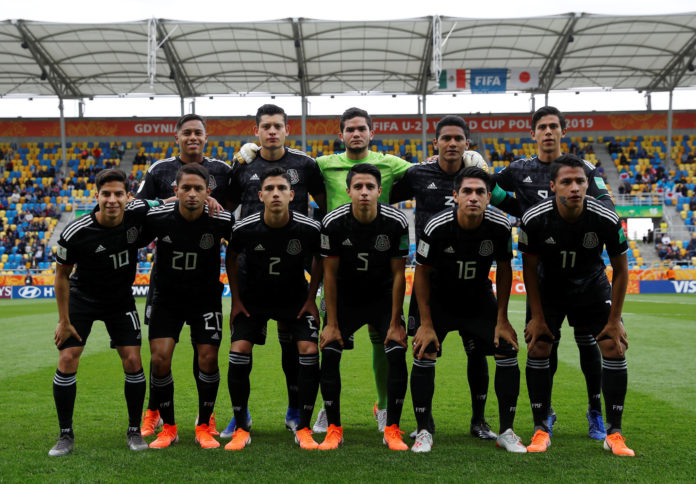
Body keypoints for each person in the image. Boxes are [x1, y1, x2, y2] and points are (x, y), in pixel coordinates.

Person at [391, 115, 518, 441]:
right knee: (423, 350)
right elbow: (381, 195)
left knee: (482, 351)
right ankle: (424, 427)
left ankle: (481, 422)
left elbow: (511, 204)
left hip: (475, 287)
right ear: (435, 143)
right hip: (433, 283)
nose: (451, 143)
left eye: (457, 138)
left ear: (466, 144)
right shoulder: (418, 174)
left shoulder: (480, 178)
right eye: (445, 138)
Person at [493, 106, 614, 439]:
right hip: (543, 277)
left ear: (563, 131)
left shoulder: (583, 168)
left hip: (584, 274)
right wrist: (521, 210)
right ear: (532, 133)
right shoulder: (519, 169)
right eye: (542, 127)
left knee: (588, 343)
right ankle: (544, 413)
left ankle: (595, 412)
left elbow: (606, 205)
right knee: (544, 342)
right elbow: (488, 187)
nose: (548, 132)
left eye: (553, 126)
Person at [519, 155, 633, 456]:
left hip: (591, 287)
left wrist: (615, 320)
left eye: (580, 181)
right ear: (553, 186)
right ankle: (541, 428)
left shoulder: (606, 217)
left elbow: (622, 271)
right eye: (567, 182)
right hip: (549, 289)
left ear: (587, 184)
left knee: (613, 346)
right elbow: (529, 269)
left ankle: (614, 433)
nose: (574, 187)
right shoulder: (534, 218)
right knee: (538, 346)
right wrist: (537, 317)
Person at [224, 104, 326, 436]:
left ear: (286, 130)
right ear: (256, 131)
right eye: (265, 126)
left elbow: (326, 205)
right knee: (242, 347)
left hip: (292, 268)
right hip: (251, 270)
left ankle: (295, 410)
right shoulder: (244, 165)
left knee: (291, 346)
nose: (271, 131)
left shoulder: (305, 165)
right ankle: (239, 415)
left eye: (277, 126)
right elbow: (225, 207)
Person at [410, 166, 525, 453]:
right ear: (456, 195)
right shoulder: (436, 226)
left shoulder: (500, 226)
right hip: (438, 297)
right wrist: (426, 323)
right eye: (467, 191)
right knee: (425, 350)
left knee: (506, 348)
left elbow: (505, 269)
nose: (473, 197)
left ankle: (504, 431)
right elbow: (421, 273)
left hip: (477, 297)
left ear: (488, 197)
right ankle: (424, 430)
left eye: (479, 192)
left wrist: (502, 319)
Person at [135, 113, 233, 437]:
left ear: (206, 137)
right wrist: (162, 202)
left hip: (204, 282)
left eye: (198, 133)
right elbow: (137, 208)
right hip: (166, 283)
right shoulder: (160, 170)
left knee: (205, 352)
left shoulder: (222, 170)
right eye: (186, 132)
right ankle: (154, 412)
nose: (192, 137)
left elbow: (236, 206)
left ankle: (206, 417)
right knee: (160, 356)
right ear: (176, 137)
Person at [50, 169, 153, 456]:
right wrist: (64, 321)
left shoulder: (138, 213)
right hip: (83, 297)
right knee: (67, 358)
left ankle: (134, 430)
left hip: (120, 300)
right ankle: (65, 434)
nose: (112, 200)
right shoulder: (76, 231)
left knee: (133, 359)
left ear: (128, 197)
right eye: (106, 194)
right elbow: (61, 276)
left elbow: (169, 201)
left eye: (118, 194)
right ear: (96, 196)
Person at [318, 163, 410, 451]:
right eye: (358, 186)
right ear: (348, 191)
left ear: (380, 191)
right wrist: (332, 324)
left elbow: (399, 275)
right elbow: (329, 274)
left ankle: (392, 428)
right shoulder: (333, 222)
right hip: (346, 298)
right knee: (329, 352)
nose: (364, 192)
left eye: (370, 186)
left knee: (396, 352)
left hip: (382, 298)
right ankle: (333, 428)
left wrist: (395, 323)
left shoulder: (396, 221)